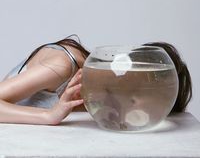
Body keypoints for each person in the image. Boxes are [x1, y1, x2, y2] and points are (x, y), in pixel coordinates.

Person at [0, 34, 192, 126]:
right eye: (137, 97)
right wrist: (49, 116)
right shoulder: (63, 66)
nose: (134, 108)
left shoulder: (104, 101)